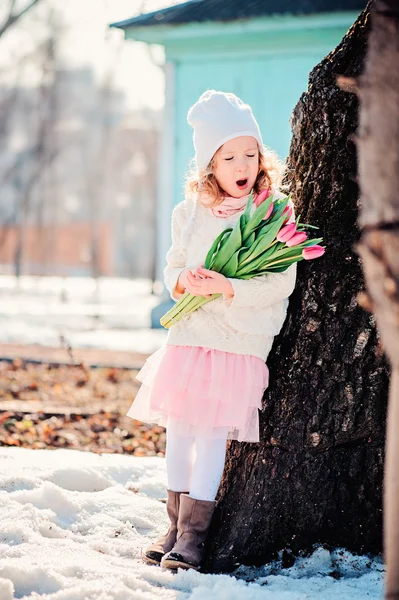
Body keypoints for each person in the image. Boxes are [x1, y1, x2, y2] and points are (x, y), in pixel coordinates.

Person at [126, 90, 297, 572]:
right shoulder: (191, 211)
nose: (242, 164)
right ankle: (174, 525)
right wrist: (184, 280)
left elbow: (280, 280)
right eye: (229, 156)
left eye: (250, 153)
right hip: (189, 340)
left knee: (211, 436)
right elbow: (174, 265)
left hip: (234, 342)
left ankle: (195, 537)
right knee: (179, 433)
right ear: (209, 165)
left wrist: (227, 286)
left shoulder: (271, 212)